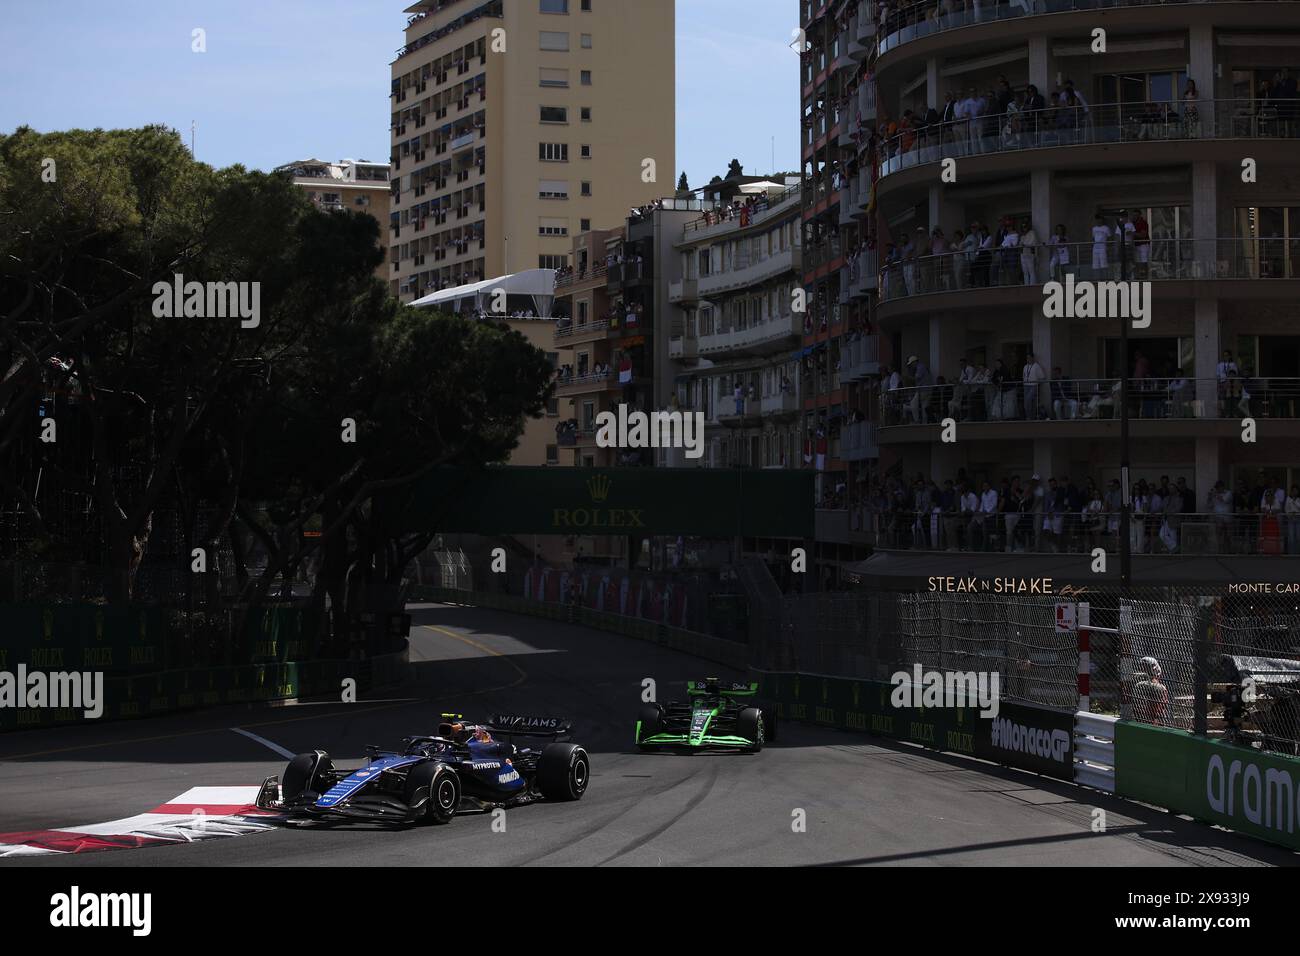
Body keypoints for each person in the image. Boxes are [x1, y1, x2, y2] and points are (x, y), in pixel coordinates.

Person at [1131, 657, 1169, 726]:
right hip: (1153, 724)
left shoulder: (1138, 685)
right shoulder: (1160, 688)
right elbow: (1158, 710)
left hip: (1138, 721)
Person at [1022, 351, 1046, 420]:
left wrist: (1037, 384)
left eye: (1029, 358)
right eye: (1027, 358)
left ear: (1032, 358)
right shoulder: (1025, 367)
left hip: (1033, 385)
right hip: (1026, 385)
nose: (1028, 359)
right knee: (1028, 402)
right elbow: (1023, 376)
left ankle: (1029, 417)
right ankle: (1029, 416)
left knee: (1028, 400)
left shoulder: (1036, 366)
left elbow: (1042, 377)